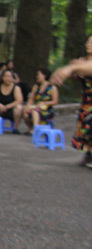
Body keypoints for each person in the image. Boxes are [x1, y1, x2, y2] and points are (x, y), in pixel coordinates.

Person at [51, 34, 92, 167]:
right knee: (85, 128)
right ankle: (89, 154)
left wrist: (72, 68)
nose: (89, 44)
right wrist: (69, 72)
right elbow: (76, 74)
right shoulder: (82, 61)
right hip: (87, 99)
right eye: (88, 42)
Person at [20, 67, 58, 134]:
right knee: (25, 112)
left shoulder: (52, 87)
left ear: (44, 75)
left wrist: (44, 103)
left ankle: (36, 130)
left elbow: (55, 101)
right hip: (36, 107)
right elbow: (31, 98)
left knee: (35, 111)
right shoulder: (36, 87)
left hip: (47, 110)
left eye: (38, 75)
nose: (37, 76)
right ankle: (31, 129)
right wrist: (28, 105)